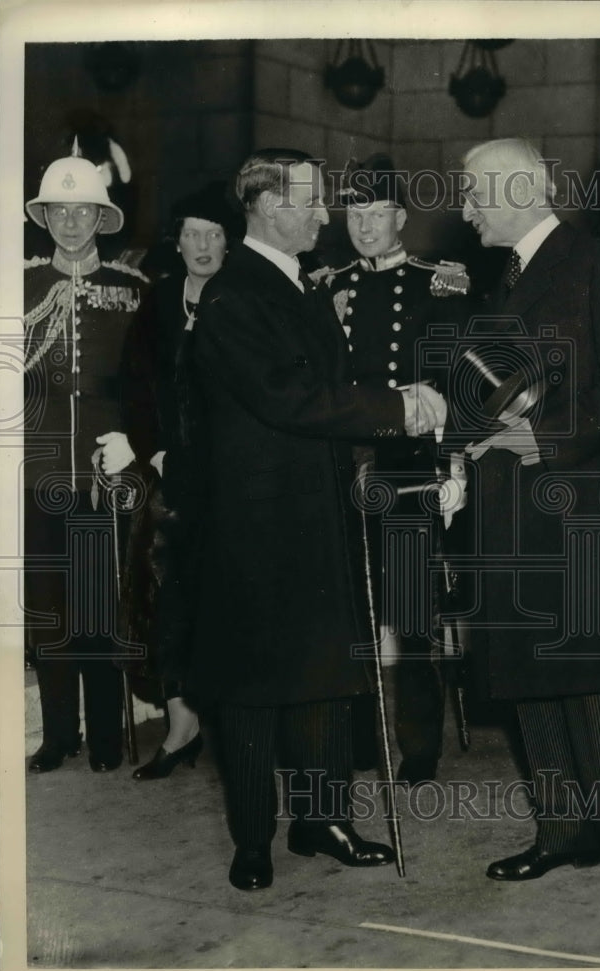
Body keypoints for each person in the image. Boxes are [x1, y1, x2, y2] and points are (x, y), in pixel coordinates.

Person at [179, 148, 447, 891]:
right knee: (255, 682)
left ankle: (321, 819)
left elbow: (329, 387)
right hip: (257, 525)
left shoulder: (293, 285)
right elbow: (288, 399)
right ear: (268, 207)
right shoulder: (235, 294)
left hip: (319, 512)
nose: (324, 214)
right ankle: (252, 839)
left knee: (327, 671)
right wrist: (399, 408)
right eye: (311, 202)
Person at [458, 138, 600, 916]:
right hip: (512, 507)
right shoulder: (506, 276)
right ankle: (563, 831)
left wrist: (544, 438)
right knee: (528, 674)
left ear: (518, 188)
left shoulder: (594, 259)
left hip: (582, 508)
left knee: (595, 678)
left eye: (475, 192)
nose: (467, 206)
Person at [317, 154, 470, 785]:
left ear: (401, 217)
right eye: (357, 213)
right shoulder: (326, 284)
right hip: (344, 464)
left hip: (408, 467)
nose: (367, 225)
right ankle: (359, 739)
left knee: (410, 611)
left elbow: (460, 382)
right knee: (351, 609)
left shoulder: (441, 283)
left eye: (378, 213)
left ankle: (418, 747)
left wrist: (454, 463)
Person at [24, 149, 148, 773]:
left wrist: (132, 443)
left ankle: (103, 733)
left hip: (103, 468)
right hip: (39, 466)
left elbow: (146, 386)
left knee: (99, 606)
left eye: (83, 212)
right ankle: (57, 735)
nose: (71, 223)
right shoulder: (18, 285)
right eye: (60, 211)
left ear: (102, 218)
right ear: (44, 217)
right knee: (48, 606)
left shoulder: (133, 291)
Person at [118, 184, 241, 779]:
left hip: (235, 477)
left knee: (232, 592)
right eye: (191, 233)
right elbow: (137, 387)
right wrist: (157, 452)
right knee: (164, 587)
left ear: (230, 240)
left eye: (213, 233)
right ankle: (180, 726)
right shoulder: (161, 301)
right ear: (178, 241)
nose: (201, 244)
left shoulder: (245, 297)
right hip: (173, 473)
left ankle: (237, 723)